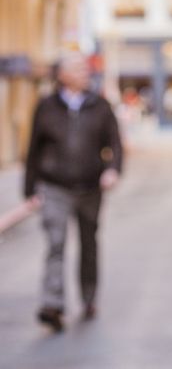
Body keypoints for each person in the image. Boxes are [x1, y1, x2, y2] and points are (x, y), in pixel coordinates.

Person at [23, 52, 123, 332]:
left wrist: (112, 169)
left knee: (88, 244)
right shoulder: (46, 106)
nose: (84, 72)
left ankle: (88, 297)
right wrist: (29, 188)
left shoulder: (100, 105)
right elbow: (33, 148)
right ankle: (52, 304)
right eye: (77, 68)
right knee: (55, 243)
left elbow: (115, 142)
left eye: (85, 68)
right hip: (54, 185)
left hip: (90, 186)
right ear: (62, 75)